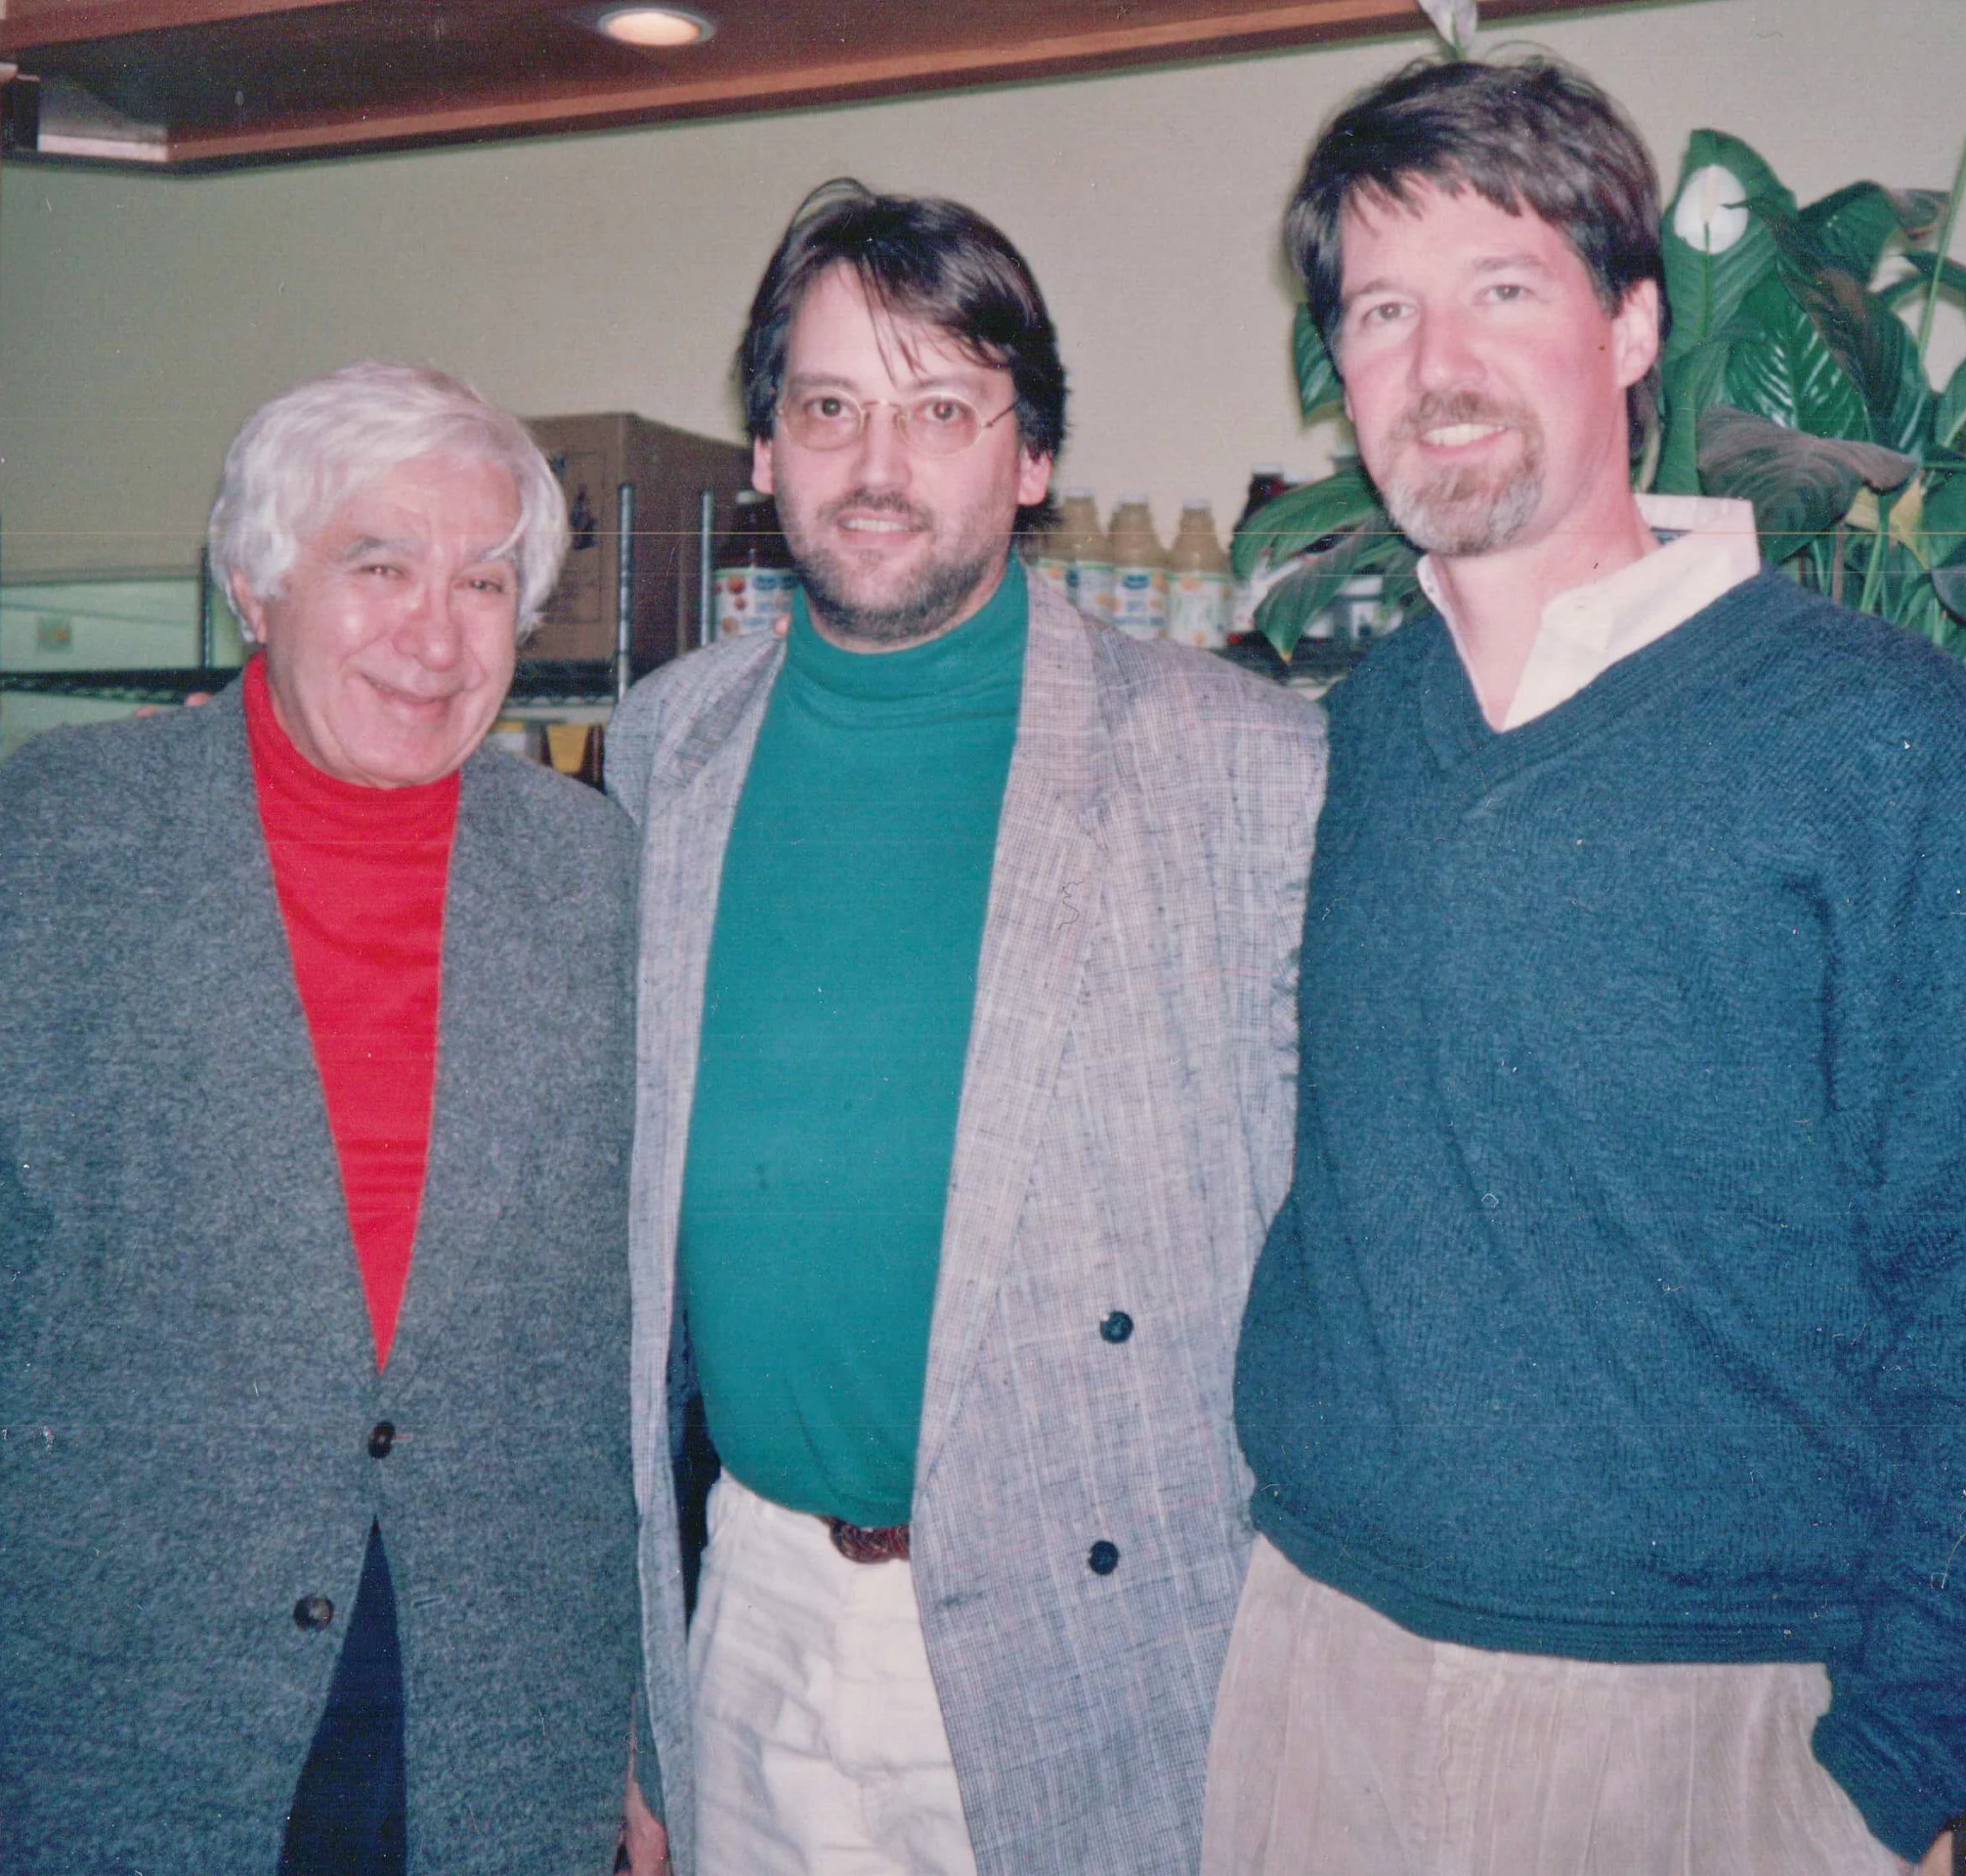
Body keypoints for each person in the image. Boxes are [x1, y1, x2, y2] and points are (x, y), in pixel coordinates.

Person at [1206, 55, 1966, 1876]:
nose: (1440, 361)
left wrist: (1882, 1780)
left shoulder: (1885, 746)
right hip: (1317, 1680)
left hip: (1717, 1734)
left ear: (1634, 325)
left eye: (1506, 289)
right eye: (1384, 310)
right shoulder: (1354, 735)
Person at [0, 362, 646, 1876]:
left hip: (508, 1724)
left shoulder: (596, 879)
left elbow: (650, 1351)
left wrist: (645, 1735)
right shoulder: (57, 851)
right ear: (254, 583)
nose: (437, 636)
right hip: (132, 1718)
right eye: (379, 566)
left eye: (486, 581)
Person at [606, 181, 1324, 1876]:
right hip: (756, 1616)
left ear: (1031, 459)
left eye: (941, 410)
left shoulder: (1246, 768)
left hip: (1114, 1642)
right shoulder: (664, 751)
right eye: (830, 407)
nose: (877, 462)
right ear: (764, 452)